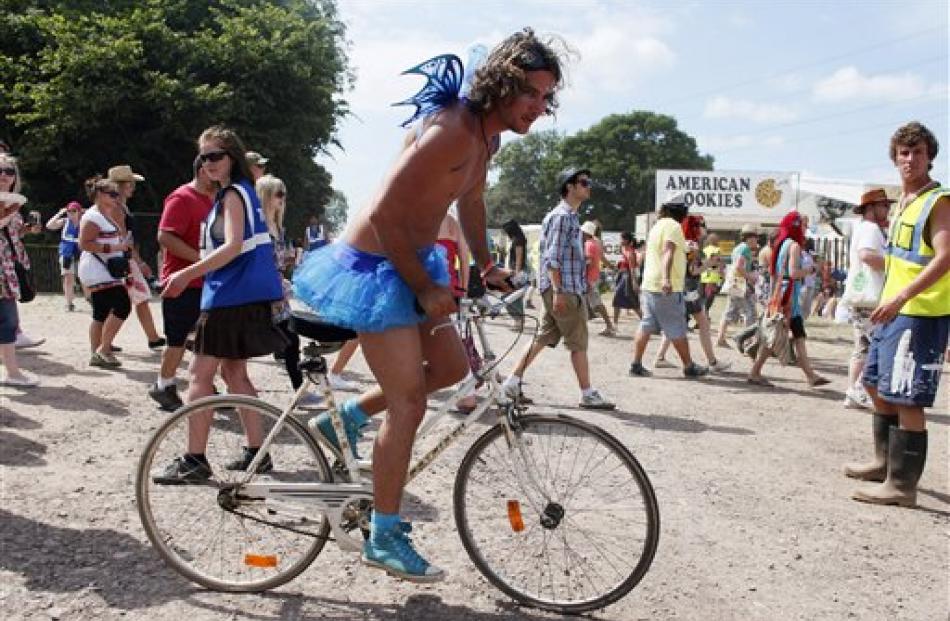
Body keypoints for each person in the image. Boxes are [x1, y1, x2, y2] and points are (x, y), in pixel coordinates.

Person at [292, 29, 569, 581]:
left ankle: (343, 417)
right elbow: (384, 217)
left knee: (451, 369)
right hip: (378, 267)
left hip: (413, 261)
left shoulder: (487, 138)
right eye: (532, 95)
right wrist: (422, 285)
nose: (540, 108)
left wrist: (486, 265)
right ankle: (384, 534)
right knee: (410, 403)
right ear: (503, 85)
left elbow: (470, 200)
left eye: (547, 97)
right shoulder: (451, 132)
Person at [154, 125, 286, 481]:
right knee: (234, 372)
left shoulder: (232, 195)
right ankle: (258, 452)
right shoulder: (243, 192)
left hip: (230, 295)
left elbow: (231, 247)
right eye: (203, 157)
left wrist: (184, 274)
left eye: (215, 156)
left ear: (232, 157)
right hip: (246, 295)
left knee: (199, 375)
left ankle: (194, 459)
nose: (208, 162)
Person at [847, 121, 949, 507]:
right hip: (893, 311)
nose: (910, 159)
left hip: (920, 312)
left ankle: (902, 486)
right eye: (904, 153)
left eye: (918, 152)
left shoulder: (937, 201)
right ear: (895, 158)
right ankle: (883, 462)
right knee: (874, 382)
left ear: (930, 157)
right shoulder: (904, 202)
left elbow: (945, 256)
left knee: (908, 398)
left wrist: (904, 295)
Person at [501, 167, 616, 410]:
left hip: (559, 287)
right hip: (563, 288)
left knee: (542, 338)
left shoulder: (567, 216)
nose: (588, 186)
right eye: (583, 182)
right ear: (569, 187)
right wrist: (560, 291)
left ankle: (512, 383)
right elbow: (553, 257)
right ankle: (587, 393)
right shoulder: (564, 217)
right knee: (578, 342)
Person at [147, 155, 215, 411]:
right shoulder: (182, 198)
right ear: (201, 170)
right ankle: (163, 385)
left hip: (207, 282)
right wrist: (201, 261)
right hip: (182, 282)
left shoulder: (216, 200)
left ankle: (203, 383)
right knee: (176, 339)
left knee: (206, 337)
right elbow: (164, 236)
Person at [628, 193, 708, 378]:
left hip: (649, 284)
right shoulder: (674, 226)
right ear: (680, 211)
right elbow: (668, 252)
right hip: (666, 287)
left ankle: (636, 364)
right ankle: (689, 366)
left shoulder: (658, 226)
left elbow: (659, 251)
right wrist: (666, 279)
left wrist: (685, 247)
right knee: (676, 327)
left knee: (646, 324)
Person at [746, 211, 829, 388]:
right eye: (804, 226)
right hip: (788, 298)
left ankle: (810, 375)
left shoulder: (782, 243)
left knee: (795, 335)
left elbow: (775, 272)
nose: (806, 229)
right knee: (777, 337)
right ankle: (755, 372)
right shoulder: (794, 246)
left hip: (782, 294)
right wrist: (811, 270)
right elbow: (792, 273)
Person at [654, 216, 730, 372]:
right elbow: (693, 271)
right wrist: (709, 263)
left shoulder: (682, 241)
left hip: (681, 288)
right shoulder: (692, 245)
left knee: (678, 322)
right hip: (689, 290)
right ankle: (712, 362)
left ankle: (660, 357)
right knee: (702, 323)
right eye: (702, 226)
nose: (705, 229)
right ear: (696, 228)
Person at [840, 189, 892, 410]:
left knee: (863, 345)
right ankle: (857, 389)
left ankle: (854, 391)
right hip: (869, 296)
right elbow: (867, 256)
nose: (887, 209)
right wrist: (894, 265)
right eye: (884, 206)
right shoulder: (870, 229)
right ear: (871, 208)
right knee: (871, 345)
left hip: (862, 294)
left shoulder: (864, 227)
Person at [77, 176, 133, 368]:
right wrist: (115, 248)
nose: (116, 197)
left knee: (100, 312)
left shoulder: (105, 214)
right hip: (98, 269)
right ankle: (103, 349)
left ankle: (97, 352)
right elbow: (84, 243)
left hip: (104, 269)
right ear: (99, 195)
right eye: (112, 194)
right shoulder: (93, 217)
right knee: (123, 305)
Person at [107, 165, 165, 351]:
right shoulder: (116, 207)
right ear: (120, 185)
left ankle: (152, 337)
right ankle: (152, 337)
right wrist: (139, 261)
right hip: (123, 257)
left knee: (133, 299)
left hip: (125, 256)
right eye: (130, 183)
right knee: (138, 298)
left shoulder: (120, 206)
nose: (133, 187)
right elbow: (123, 238)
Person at [0, 153, 40, 386]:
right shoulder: (11, 204)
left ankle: (13, 372)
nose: (5, 175)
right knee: (7, 321)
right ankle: (13, 373)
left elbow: (11, 234)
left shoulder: (12, 202)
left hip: (8, 268)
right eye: (0, 171)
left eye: (10, 171)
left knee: (7, 321)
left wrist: (26, 229)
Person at [716, 224, 759, 347]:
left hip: (734, 283)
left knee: (729, 311)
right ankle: (748, 342)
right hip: (740, 284)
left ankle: (720, 338)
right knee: (751, 313)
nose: (755, 240)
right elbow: (739, 267)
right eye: (754, 237)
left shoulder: (738, 248)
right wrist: (750, 277)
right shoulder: (745, 249)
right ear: (749, 238)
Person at [45, 200, 83, 311]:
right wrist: (60, 213)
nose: (71, 213)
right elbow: (49, 225)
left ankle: (90, 299)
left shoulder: (85, 222)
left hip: (81, 253)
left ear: (79, 212)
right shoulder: (64, 221)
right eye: (69, 211)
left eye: (74, 211)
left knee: (85, 278)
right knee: (68, 278)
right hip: (67, 253)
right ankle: (69, 303)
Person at [581, 220, 616, 336]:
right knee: (587, 302)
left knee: (596, 303)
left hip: (589, 277)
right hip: (593, 276)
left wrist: (583, 276)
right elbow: (600, 258)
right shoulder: (596, 243)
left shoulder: (589, 244)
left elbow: (589, 262)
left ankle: (609, 326)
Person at [500, 219, 527, 331]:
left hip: (516, 271)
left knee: (511, 297)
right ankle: (518, 321)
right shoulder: (518, 239)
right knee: (512, 297)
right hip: (513, 271)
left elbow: (519, 258)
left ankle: (519, 320)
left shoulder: (518, 240)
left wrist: (516, 273)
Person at [611, 231, 641, 324]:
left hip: (628, 277)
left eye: (622, 239)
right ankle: (614, 325)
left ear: (627, 240)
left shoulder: (631, 252)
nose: (620, 241)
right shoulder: (623, 249)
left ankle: (646, 321)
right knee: (617, 300)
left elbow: (632, 269)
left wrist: (634, 283)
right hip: (622, 275)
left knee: (632, 301)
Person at [700, 233, 723, 312]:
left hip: (703, 275)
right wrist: (721, 275)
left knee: (704, 295)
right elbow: (718, 263)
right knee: (710, 296)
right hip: (713, 276)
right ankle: (705, 312)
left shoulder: (704, 250)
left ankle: (703, 312)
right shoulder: (717, 250)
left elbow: (701, 262)